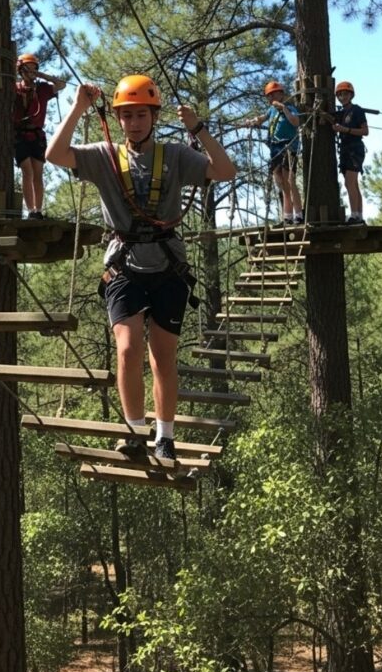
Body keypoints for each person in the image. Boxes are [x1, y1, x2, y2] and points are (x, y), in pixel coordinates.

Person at [46, 75, 236, 462]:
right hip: (124, 266)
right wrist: (78, 108)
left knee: (162, 356)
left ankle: (165, 435)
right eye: (127, 116)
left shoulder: (175, 156)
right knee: (128, 349)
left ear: (154, 116)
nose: (134, 123)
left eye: (141, 115)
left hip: (168, 266)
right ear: (118, 120)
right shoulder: (103, 156)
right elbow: (54, 154)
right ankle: (134, 430)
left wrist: (197, 128)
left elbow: (224, 170)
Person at [13, 52, 66, 219]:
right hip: (20, 134)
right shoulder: (15, 88)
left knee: (38, 173)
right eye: (27, 69)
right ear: (20, 71)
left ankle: (38, 210)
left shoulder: (43, 88)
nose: (31, 72)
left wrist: (41, 75)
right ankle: (30, 210)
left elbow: (61, 84)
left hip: (37, 135)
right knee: (27, 172)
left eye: (33, 69)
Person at [244, 80, 303, 225]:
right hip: (275, 147)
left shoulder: (290, 107)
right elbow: (262, 119)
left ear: (281, 94)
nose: (271, 98)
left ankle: (299, 214)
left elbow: (296, 122)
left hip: (289, 146)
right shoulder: (271, 111)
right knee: (281, 182)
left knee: (290, 180)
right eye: (268, 96)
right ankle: (287, 216)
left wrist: (284, 109)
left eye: (273, 94)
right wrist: (252, 121)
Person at [332, 80, 369, 225]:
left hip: (355, 149)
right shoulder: (341, 113)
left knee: (349, 183)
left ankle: (354, 215)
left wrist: (345, 130)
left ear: (351, 95)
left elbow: (365, 131)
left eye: (345, 94)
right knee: (353, 184)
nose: (343, 97)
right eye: (340, 95)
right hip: (345, 150)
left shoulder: (357, 110)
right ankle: (359, 215)